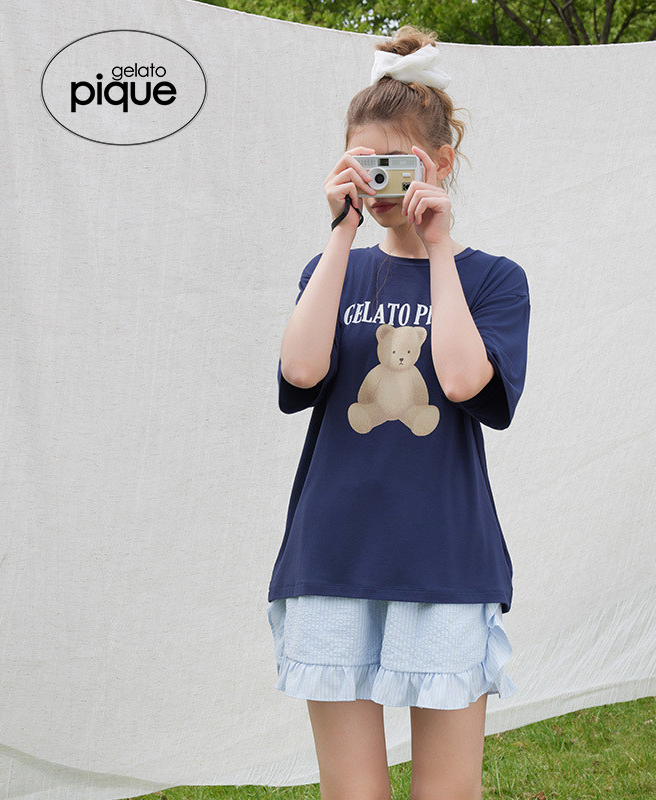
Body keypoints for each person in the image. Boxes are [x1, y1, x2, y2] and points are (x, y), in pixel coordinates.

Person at [267, 24, 530, 800]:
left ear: (439, 163)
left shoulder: (492, 279)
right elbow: (301, 370)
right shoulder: (333, 269)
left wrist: (438, 246)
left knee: (446, 790)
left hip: (444, 556)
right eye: (362, 163)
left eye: (395, 164)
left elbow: (462, 381)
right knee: (352, 791)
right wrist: (341, 231)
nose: (378, 183)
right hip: (333, 554)